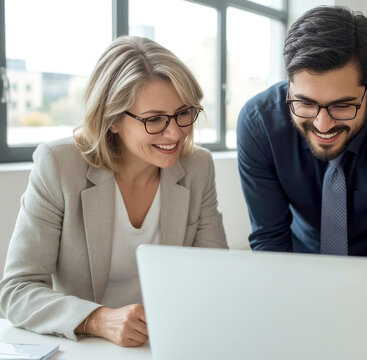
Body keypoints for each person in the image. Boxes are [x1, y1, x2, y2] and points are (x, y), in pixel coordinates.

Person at [0, 36, 228, 347]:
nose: (175, 133)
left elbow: (219, 277)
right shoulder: (60, 166)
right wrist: (98, 318)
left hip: (169, 343)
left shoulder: (198, 166)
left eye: (184, 113)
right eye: (155, 119)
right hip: (87, 346)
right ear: (113, 121)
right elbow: (17, 290)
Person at [237, 6, 367, 293]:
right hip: (299, 264)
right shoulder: (259, 123)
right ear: (289, 86)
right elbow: (270, 238)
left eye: (342, 105)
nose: (322, 124)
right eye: (305, 103)